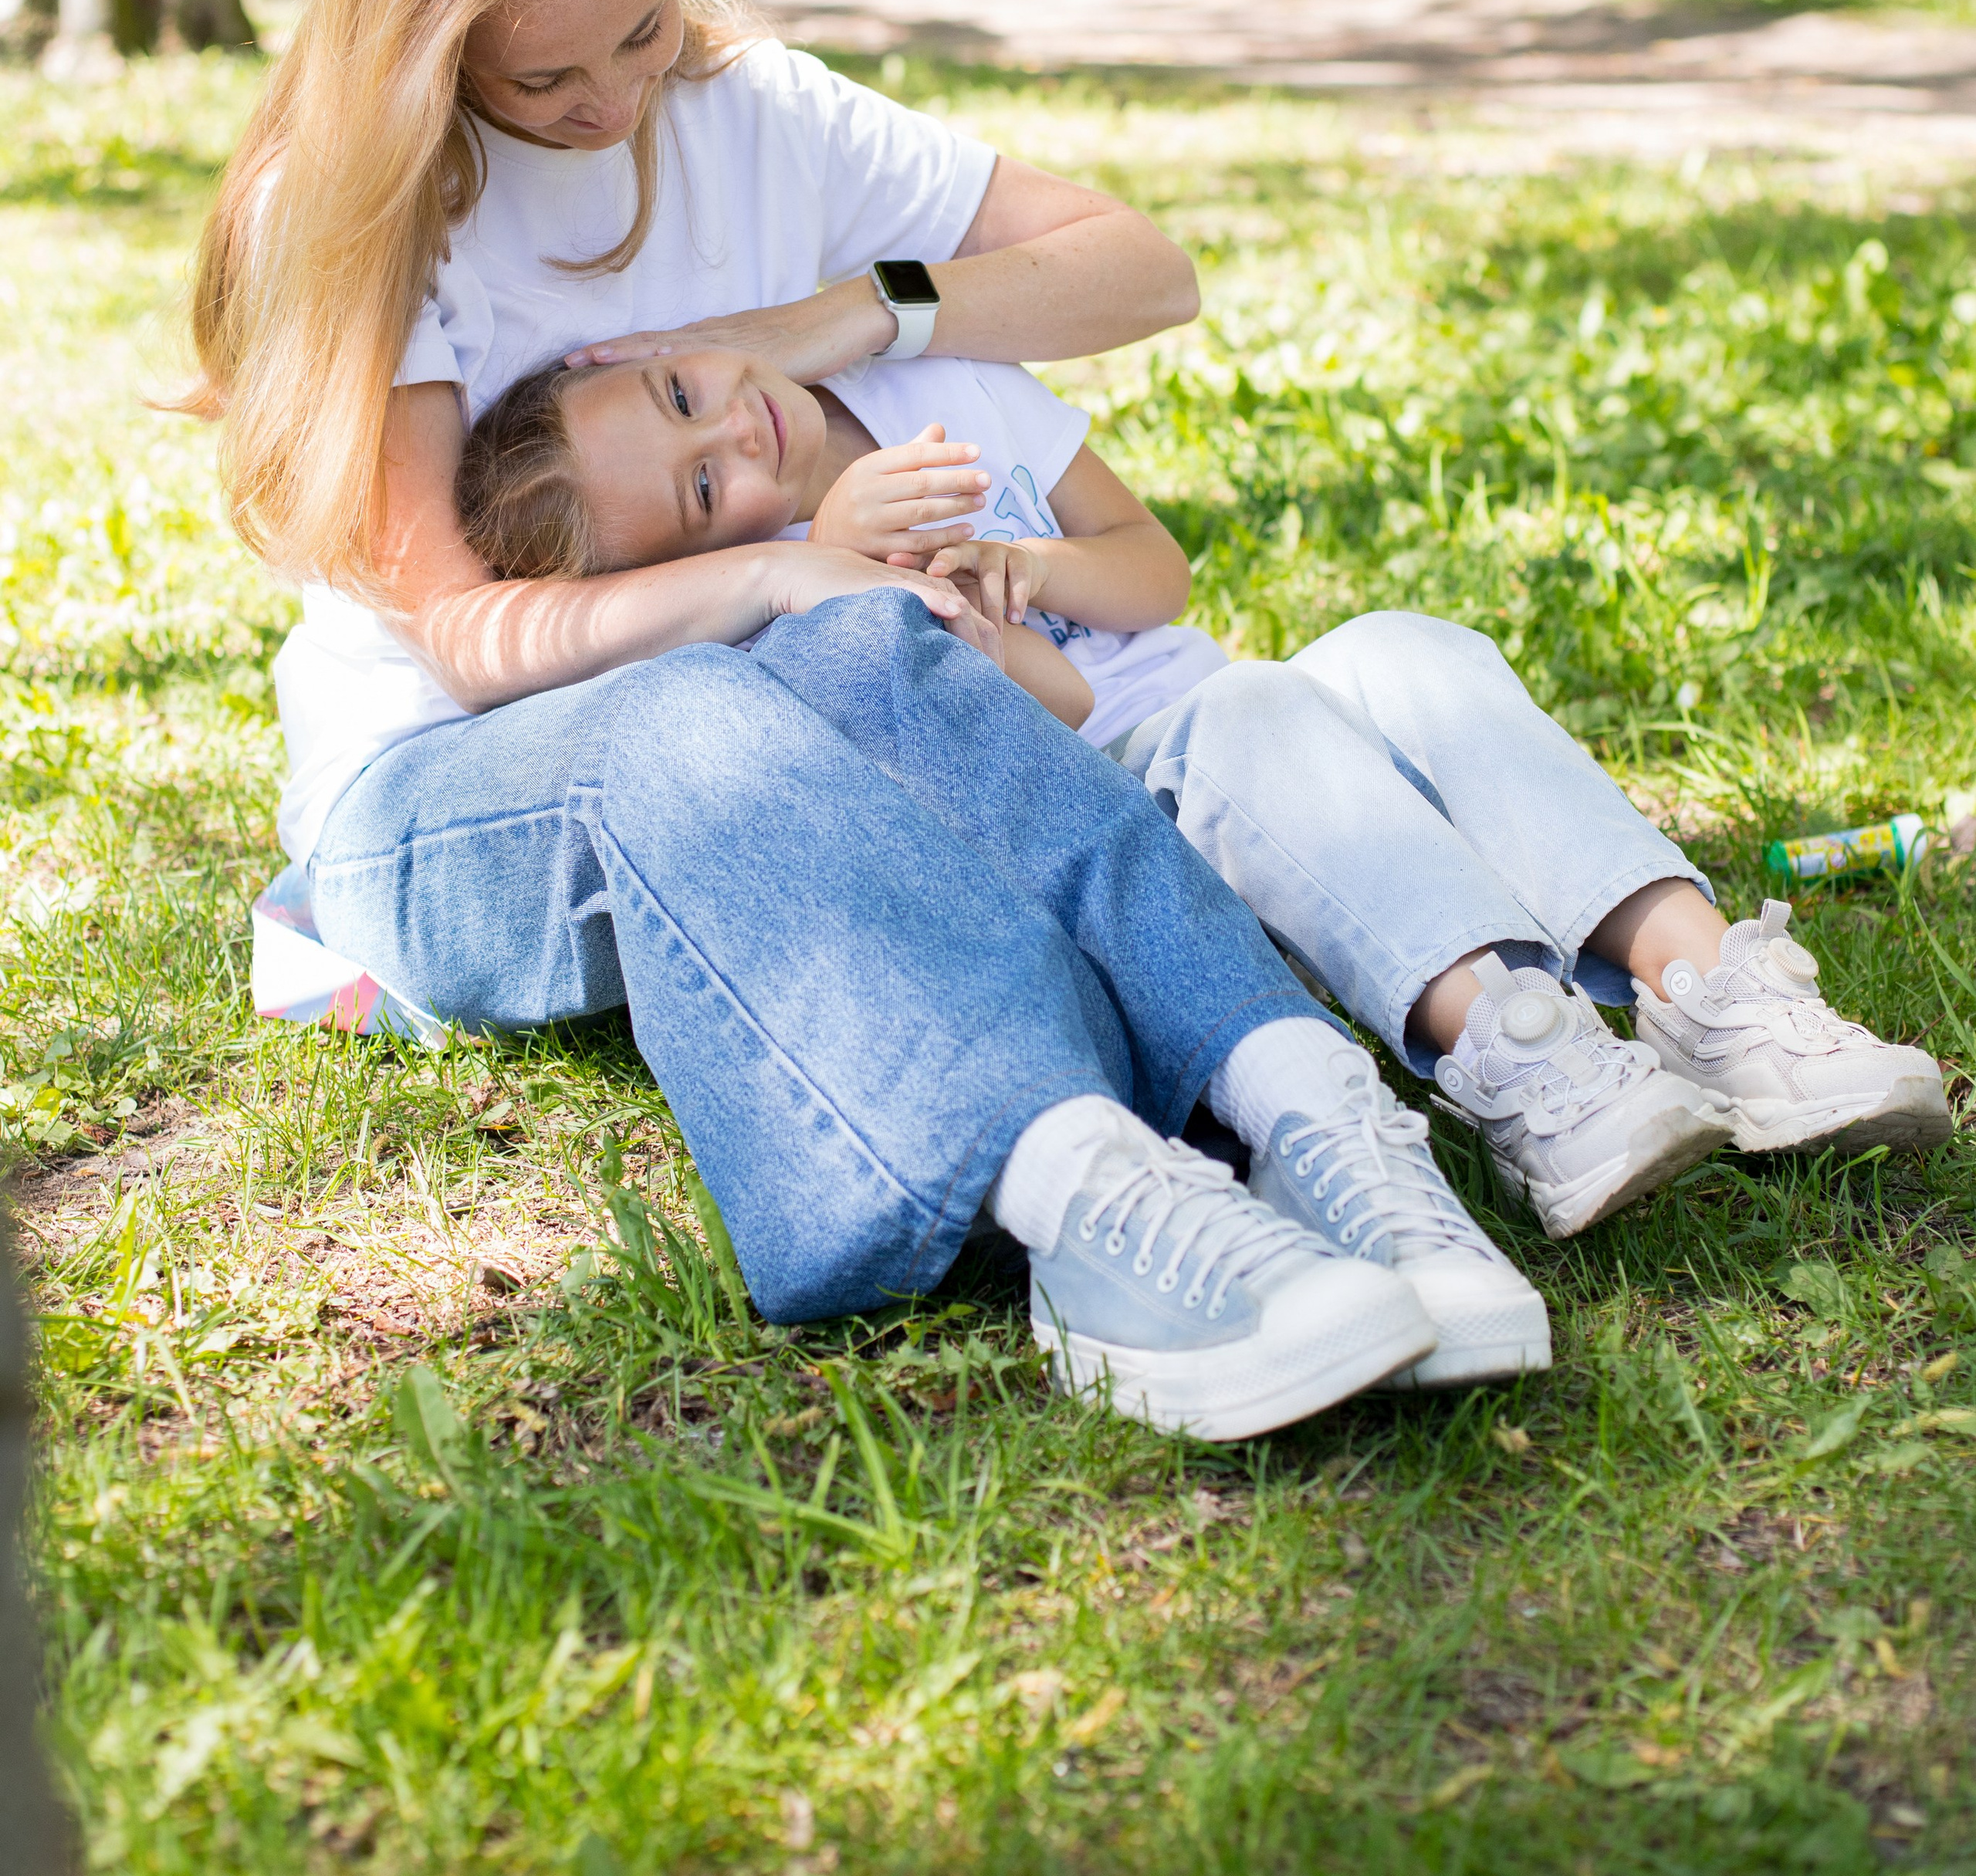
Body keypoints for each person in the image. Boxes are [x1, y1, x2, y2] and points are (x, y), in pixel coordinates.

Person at [184, 0, 1548, 1442]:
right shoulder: (351, 214)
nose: (612, 102)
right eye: (542, 78)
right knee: (704, 705)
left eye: (637, 32)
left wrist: (853, 318)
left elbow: (1144, 267)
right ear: (421, 46)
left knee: (844, 647)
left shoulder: (748, 110)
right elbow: (464, 639)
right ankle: (1093, 1209)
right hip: (457, 790)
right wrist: (772, 568)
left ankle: (1310, 1114)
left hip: (800, 715)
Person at [455, 333, 1955, 1236]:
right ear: (704, 559)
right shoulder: (811, 606)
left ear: (637, 347)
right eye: (705, 489)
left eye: (679, 392)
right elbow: (1061, 711)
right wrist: (877, 578)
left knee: (1403, 646)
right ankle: (1522, 1060)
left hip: (1259, 724)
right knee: (1248, 711)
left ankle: (1717, 1006)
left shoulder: (935, 385)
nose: (732, 430)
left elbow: (1153, 571)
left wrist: (1028, 565)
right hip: (1156, 835)